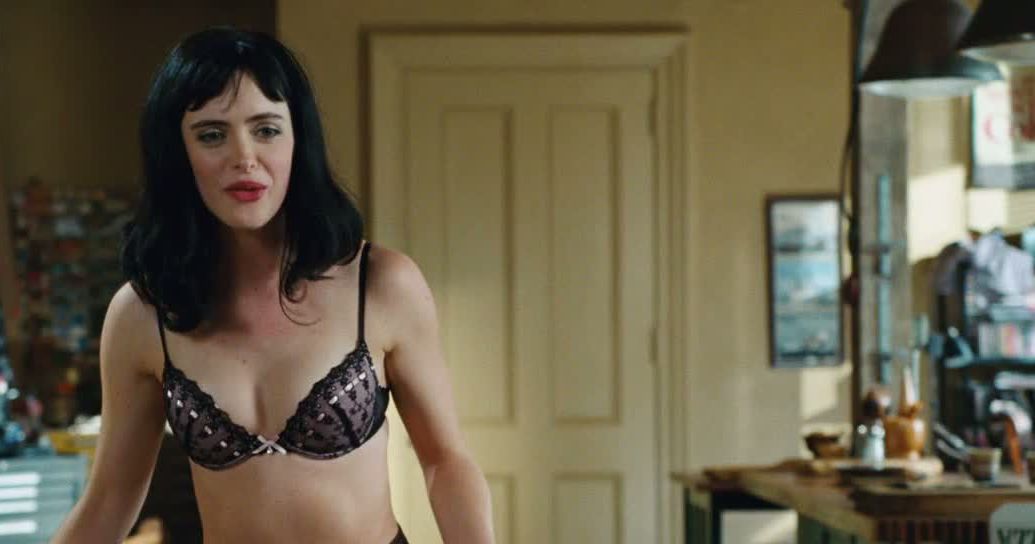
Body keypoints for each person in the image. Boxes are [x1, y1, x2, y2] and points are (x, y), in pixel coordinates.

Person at [52, 26, 494, 543]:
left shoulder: (381, 285)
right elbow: (110, 499)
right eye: (212, 134)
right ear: (178, 152)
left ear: (297, 140)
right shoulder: (142, 314)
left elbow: (445, 461)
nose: (244, 157)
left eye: (265, 129)